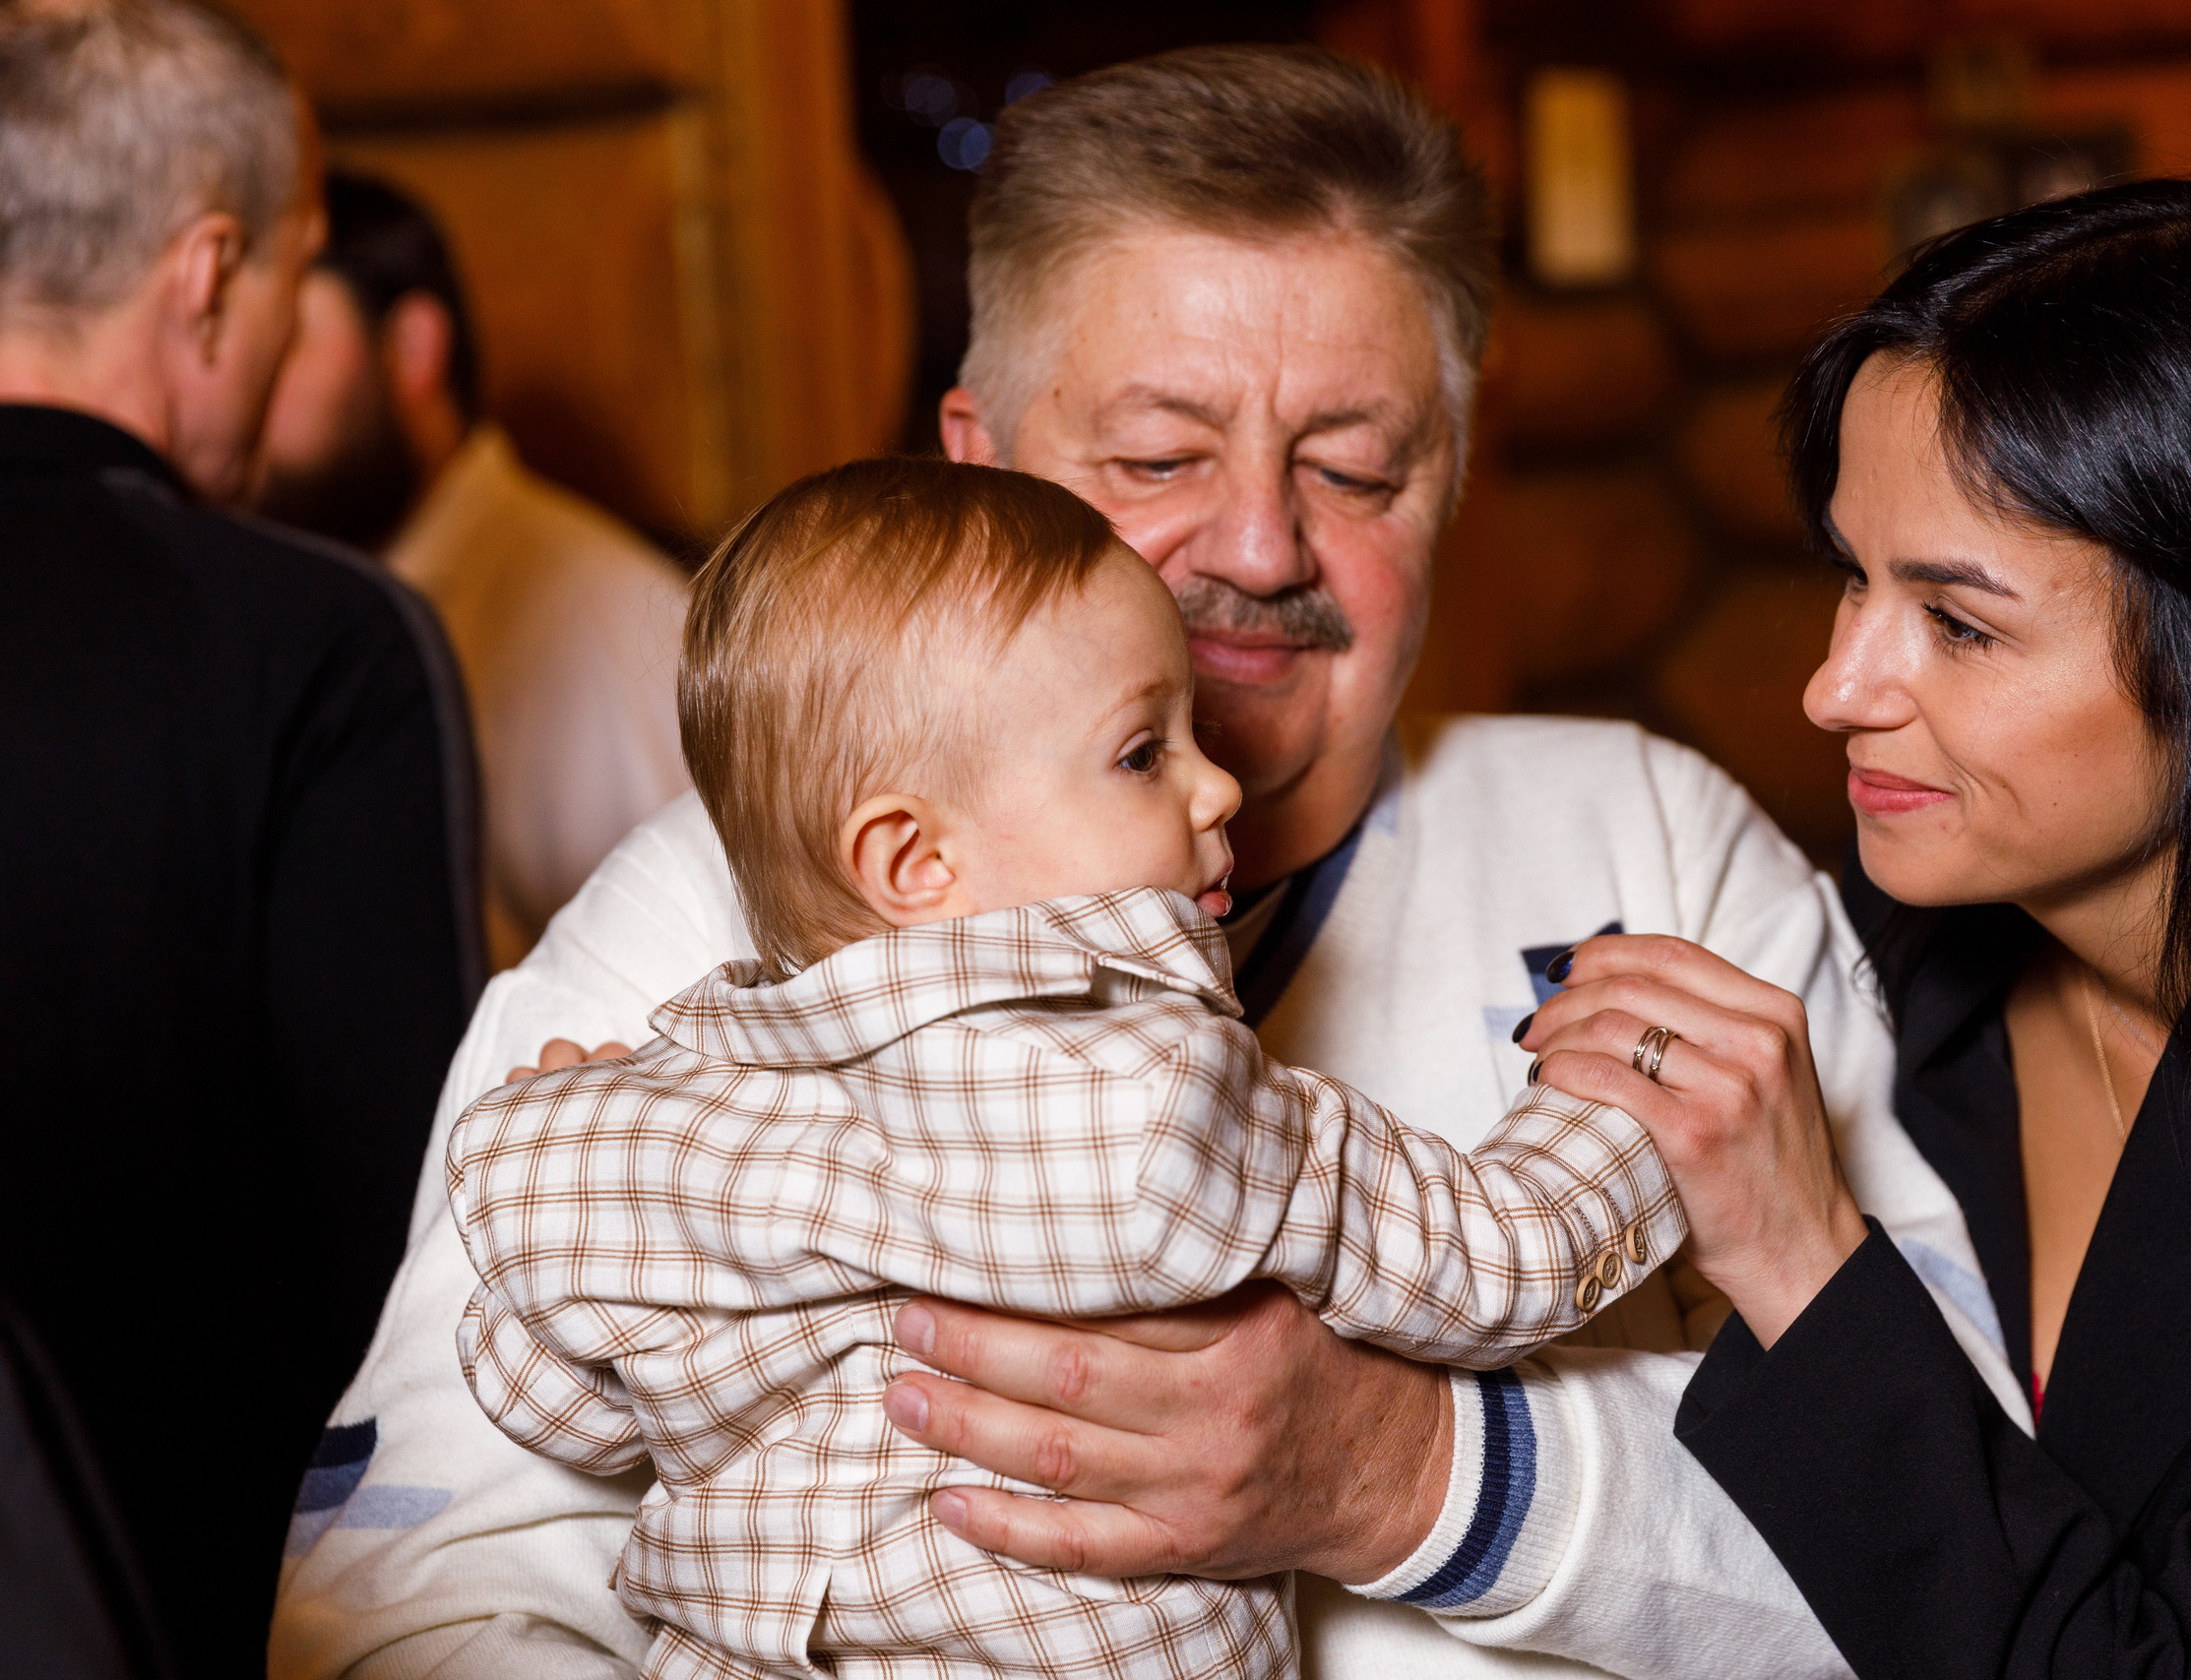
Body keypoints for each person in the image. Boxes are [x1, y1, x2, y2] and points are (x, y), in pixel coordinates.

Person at [271, 47, 2015, 1680]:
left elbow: (1980, 1544)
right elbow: (412, 1579)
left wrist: (1413, 1469)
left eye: (1355, 466)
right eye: (1157, 459)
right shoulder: (691, 925)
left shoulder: (1654, 843)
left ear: (1454, 484)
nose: (1258, 544)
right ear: (977, 465)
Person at [453, 456, 1685, 1679]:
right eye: (1143, 753)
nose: (1219, 783)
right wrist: (1621, 1098)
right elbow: (1497, 1256)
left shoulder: (659, 1127)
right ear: (915, 860)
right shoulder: (1163, 1105)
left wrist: (583, 1134)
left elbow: (564, 1409)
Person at [1518, 179, 2191, 1675]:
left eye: (1960, 624)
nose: (1835, 687)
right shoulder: (1899, 952)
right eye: (1852, 576)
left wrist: (1803, 1259)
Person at [0, 2, 481, 1673]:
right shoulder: (320, 643)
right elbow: (422, 1260)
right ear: (208, 274)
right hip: (200, 1610)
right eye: (294, 267)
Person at [257, 170, 692, 970]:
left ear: (414, 348)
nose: (248, 390)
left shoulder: (599, 612)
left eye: (284, 343)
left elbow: (699, 985)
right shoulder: (301, 607)